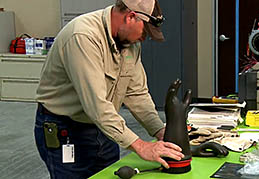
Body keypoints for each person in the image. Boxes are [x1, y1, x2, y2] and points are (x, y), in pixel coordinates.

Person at [34, 0, 184, 178]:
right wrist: (141, 146)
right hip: (66, 130)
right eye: (145, 31)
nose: (145, 38)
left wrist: (161, 132)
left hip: (104, 127)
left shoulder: (129, 43)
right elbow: (96, 106)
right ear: (130, 17)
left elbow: (136, 93)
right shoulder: (83, 36)